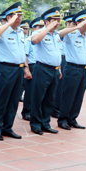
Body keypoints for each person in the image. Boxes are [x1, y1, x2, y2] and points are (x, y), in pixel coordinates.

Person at [0, 2, 30, 141]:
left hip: (18, 69)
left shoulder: (20, 32)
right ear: (8, 17)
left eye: (20, 15)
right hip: (5, 68)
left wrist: (25, 67)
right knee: (2, 99)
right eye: (17, 16)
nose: (20, 18)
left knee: (13, 100)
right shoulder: (3, 30)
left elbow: (22, 51)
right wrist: (8, 23)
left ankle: (7, 127)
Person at [29, 7, 63, 135]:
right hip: (42, 68)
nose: (57, 23)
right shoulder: (39, 32)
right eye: (55, 20)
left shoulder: (57, 35)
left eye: (58, 20)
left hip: (54, 70)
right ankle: (36, 124)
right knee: (38, 97)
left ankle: (45, 123)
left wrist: (59, 68)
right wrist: (48, 29)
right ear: (46, 21)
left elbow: (58, 52)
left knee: (50, 98)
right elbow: (34, 41)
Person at [57, 9, 86, 130]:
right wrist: (76, 27)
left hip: (83, 70)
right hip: (72, 68)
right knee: (69, 95)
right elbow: (59, 34)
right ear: (79, 23)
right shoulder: (71, 35)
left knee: (79, 95)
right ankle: (63, 119)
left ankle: (72, 119)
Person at [21, 17, 43, 121]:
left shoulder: (43, 39)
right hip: (31, 66)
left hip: (40, 66)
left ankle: (36, 111)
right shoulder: (28, 40)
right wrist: (27, 69)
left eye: (43, 27)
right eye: (39, 27)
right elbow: (24, 55)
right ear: (33, 28)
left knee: (39, 91)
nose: (41, 29)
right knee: (29, 91)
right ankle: (26, 111)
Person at [53, 14, 75, 118]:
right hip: (61, 59)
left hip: (69, 61)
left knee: (66, 86)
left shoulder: (75, 33)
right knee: (59, 86)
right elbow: (60, 33)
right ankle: (56, 108)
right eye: (73, 24)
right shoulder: (63, 32)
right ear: (67, 23)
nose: (76, 25)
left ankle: (62, 108)